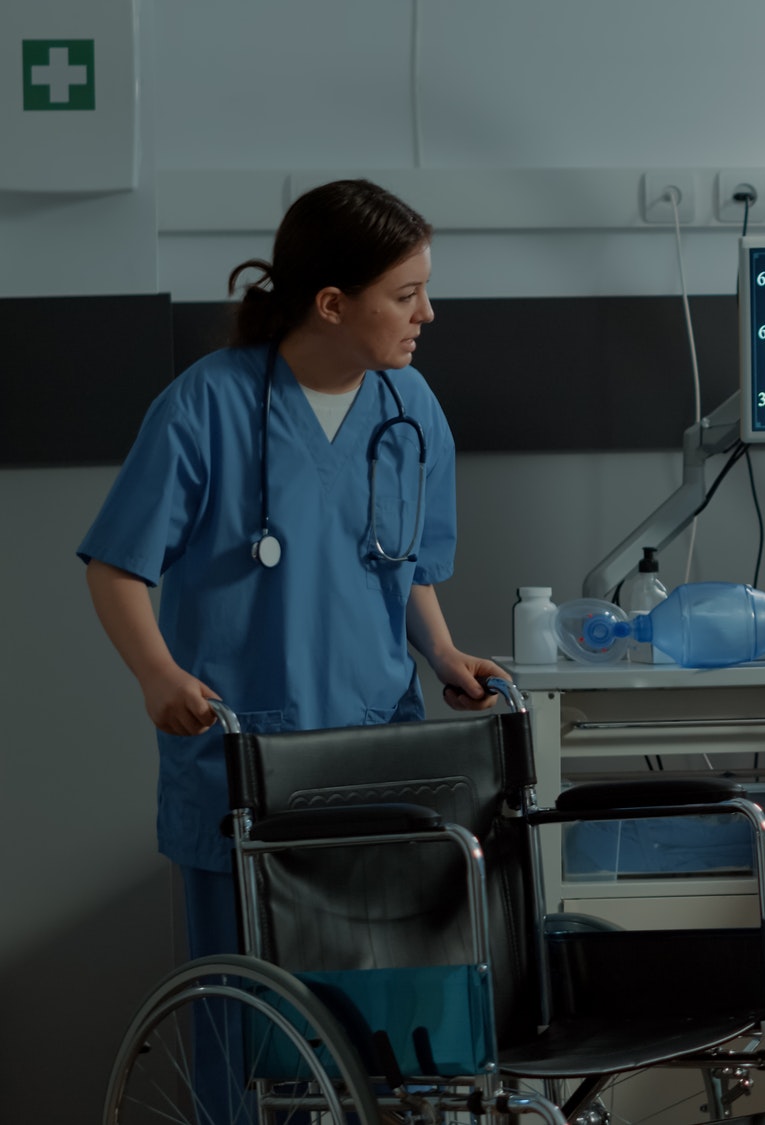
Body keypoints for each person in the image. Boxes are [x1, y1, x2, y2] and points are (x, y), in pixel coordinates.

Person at [80, 179, 507, 962]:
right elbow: (116, 566)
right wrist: (156, 674)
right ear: (333, 303)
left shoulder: (411, 411)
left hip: (374, 752)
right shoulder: (205, 406)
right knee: (250, 1027)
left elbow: (402, 562)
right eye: (406, 294)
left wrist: (442, 653)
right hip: (245, 755)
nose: (427, 315)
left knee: (373, 1018)